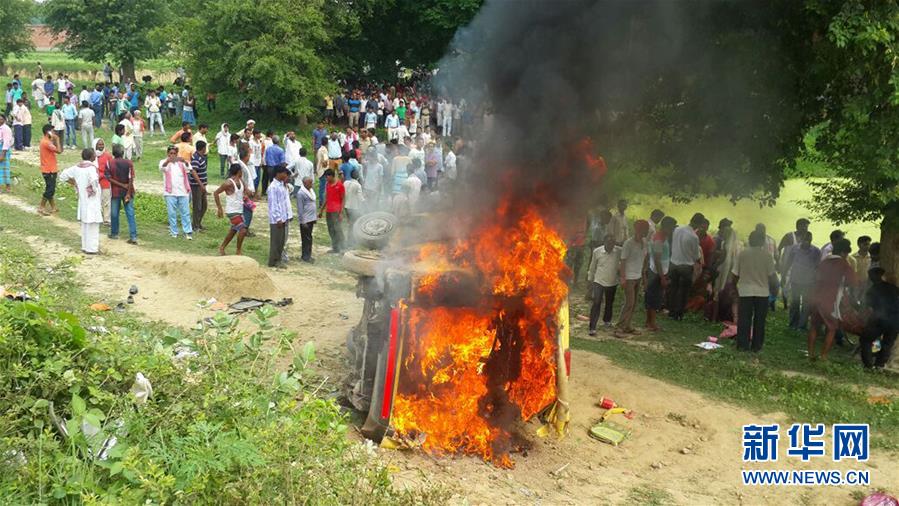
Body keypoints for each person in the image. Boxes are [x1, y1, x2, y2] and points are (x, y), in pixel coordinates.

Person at [808, 238, 856, 361]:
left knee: (814, 326)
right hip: (830, 299)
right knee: (832, 328)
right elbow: (853, 281)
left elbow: (815, 277)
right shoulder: (843, 263)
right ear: (844, 253)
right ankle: (823, 356)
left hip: (816, 297)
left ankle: (810, 353)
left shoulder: (824, 261)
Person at [733, 230, 777, 352]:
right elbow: (772, 276)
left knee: (744, 319)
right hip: (762, 292)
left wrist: (734, 287)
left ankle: (742, 345)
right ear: (763, 242)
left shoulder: (742, 254)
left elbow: (735, 274)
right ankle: (757, 346)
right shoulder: (767, 256)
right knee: (759, 320)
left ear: (750, 240)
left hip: (745, 291)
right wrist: (774, 291)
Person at [58, 149, 102, 254]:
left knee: (85, 225)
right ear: (91, 157)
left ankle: (85, 246)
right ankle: (92, 249)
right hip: (92, 199)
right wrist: (95, 190)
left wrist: (75, 183)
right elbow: (94, 182)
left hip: (83, 199)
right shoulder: (91, 168)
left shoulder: (77, 167)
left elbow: (63, 176)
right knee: (93, 225)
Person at [860, 267, 898, 369]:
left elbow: (868, 308)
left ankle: (868, 365)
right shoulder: (893, 288)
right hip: (895, 320)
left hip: (880, 318)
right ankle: (879, 365)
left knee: (866, 339)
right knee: (887, 343)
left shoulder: (872, 290)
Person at [669, 213, 704, 320]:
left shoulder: (677, 229)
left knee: (673, 288)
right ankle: (678, 313)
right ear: (699, 224)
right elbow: (695, 255)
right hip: (686, 265)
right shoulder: (694, 237)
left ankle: (671, 309)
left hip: (674, 262)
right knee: (684, 291)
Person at [783, 231, 820, 330]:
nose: (807, 242)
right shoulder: (795, 248)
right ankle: (793, 323)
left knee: (806, 304)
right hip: (795, 280)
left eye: (809, 240)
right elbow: (788, 262)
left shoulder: (816, 251)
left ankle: (802, 325)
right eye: (805, 240)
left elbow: (818, 267)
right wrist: (783, 275)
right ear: (801, 239)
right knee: (795, 302)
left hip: (809, 282)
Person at [617, 220, 649, 334]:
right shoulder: (628, 243)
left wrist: (644, 277)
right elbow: (623, 261)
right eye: (645, 229)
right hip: (629, 277)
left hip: (638, 276)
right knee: (629, 302)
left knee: (634, 303)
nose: (647, 231)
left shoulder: (645, 242)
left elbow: (645, 259)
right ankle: (619, 328)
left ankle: (627, 325)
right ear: (639, 230)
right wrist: (622, 277)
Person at [646, 216, 676, 331]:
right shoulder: (659, 239)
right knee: (654, 297)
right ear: (666, 227)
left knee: (653, 296)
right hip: (656, 272)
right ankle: (652, 323)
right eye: (672, 227)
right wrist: (662, 277)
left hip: (659, 271)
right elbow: (657, 258)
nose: (673, 230)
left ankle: (649, 322)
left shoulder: (664, 237)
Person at [587, 234, 621, 335]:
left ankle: (607, 320)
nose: (611, 245)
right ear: (604, 242)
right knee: (596, 302)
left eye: (613, 243)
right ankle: (592, 327)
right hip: (599, 281)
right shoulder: (597, 251)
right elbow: (592, 267)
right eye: (609, 243)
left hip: (612, 282)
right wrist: (590, 280)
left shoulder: (619, 251)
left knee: (609, 302)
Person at [159, 145, 194, 239]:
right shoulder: (163, 161)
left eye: (174, 153)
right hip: (170, 192)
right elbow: (162, 168)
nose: (173, 155)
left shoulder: (181, 163)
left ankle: (187, 232)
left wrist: (184, 161)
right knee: (172, 213)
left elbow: (189, 169)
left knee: (185, 212)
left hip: (183, 191)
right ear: (168, 154)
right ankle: (174, 231)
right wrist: (168, 160)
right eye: (171, 153)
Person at [214, 164, 250, 255]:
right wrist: (219, 209)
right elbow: (216, 193)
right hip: (232, 211)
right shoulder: (228, 183)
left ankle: (222, 247)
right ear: (239, 171)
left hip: (239, 209)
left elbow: (246, 191)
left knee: (234, 230)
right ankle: (238, 250)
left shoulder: (241, 181)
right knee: (243, 229)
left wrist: (246, 194)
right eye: (241, 171)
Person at [107, 144, 137, 244]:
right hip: (128, 191)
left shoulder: (110, 163)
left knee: (114, 213)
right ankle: (133, 236)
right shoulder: (129, 162)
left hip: (115, 191)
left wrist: (121, 185)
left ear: (113, 153)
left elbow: (109, 178)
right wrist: (128, 191)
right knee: (130, 213)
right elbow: (131, 178)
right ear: (123, 152)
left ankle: (114, 233)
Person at [778, 218, 811, 309]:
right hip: (787, 265)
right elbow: (779, 248)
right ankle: (785, 304)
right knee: (786, 285)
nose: (806, 228)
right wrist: (778, 262)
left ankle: (794, 303)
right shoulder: (789, 236)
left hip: (799, 267)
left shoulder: (807, 238)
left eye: (807, 226)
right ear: (798, 226)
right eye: (804, 226)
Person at [265, 165, 293, 268]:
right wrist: (278, 219)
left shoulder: (281, 185)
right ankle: (273, 261)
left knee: (281, 241)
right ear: (278, 173)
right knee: (276, 240)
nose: (286, 175)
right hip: (277, 219)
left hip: (283, 217)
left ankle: (278, 259)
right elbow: (273, 204)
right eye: (284, 173)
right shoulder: (273, 187)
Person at [38, 125, 62, 216]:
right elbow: (59, 151)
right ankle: (41, 207)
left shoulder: (45, 141)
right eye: (52, 131)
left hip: (48, 168)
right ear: (48, 132)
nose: (54, 132)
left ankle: (53, 207)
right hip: (49, 169)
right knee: (50, 189)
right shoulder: (47, 143)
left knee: (50, 187)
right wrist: (57, 139)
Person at [320, 168, 345, 253]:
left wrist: (341, 213)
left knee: (338, 229)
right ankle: (335, 248)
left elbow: (343, 199)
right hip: (329, 211)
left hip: (336, 211)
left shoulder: (340, 185)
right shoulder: (328, 185)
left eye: (327, 177)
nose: (326, 178)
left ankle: (342, 248)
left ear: (331, 176)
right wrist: (321, 210)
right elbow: (326, 198)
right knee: (331, 229)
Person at [190, 140, 210, 231]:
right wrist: (201, 184)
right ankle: (195, 226)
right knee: (197, 206)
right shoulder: (196, 158)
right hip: (196, 186)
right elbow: (194, 172)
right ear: (203, 148)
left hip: (201, 185)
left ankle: (198, 223)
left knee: (203, 205)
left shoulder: (201, 157)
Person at [296, 176, 317, 263]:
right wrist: (302, 221)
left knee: (309, 238)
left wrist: (314, 217)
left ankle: (308, 255)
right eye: (310, 183)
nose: (312, 184)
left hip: (311, 218)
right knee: (306, 238)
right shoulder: (301, 193)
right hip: (305, 219)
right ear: (305, 183)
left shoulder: (310, 191)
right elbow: (300, 209)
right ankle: (305, 256)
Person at [93, 138, 113, 224]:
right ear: (95, 145)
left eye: (102, 144)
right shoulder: (92, 155)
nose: (101, 146)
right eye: (99, 144)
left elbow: (111, 168)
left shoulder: (107, 156)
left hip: (105, 181)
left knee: (106, 201)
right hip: (95, 182)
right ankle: (97, 217)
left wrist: (103, 175)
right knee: (97, 200)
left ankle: (106, 219)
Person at [344, 168, 365, 242]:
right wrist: (365, 201)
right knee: (353, 224)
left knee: (349, 223)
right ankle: (351, 240)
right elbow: (360, 198)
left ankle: (349, 238)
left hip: (346, 206)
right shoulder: (358, 185)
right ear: (358, 177)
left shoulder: (345, 182)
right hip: (353, 207)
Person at [0, 115, 12, 192]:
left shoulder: (6, 129)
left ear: (4, 120)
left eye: (1, 119)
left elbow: (6, 142)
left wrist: (2, 155)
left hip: (3, 150)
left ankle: (8, 186)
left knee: (5, 168)